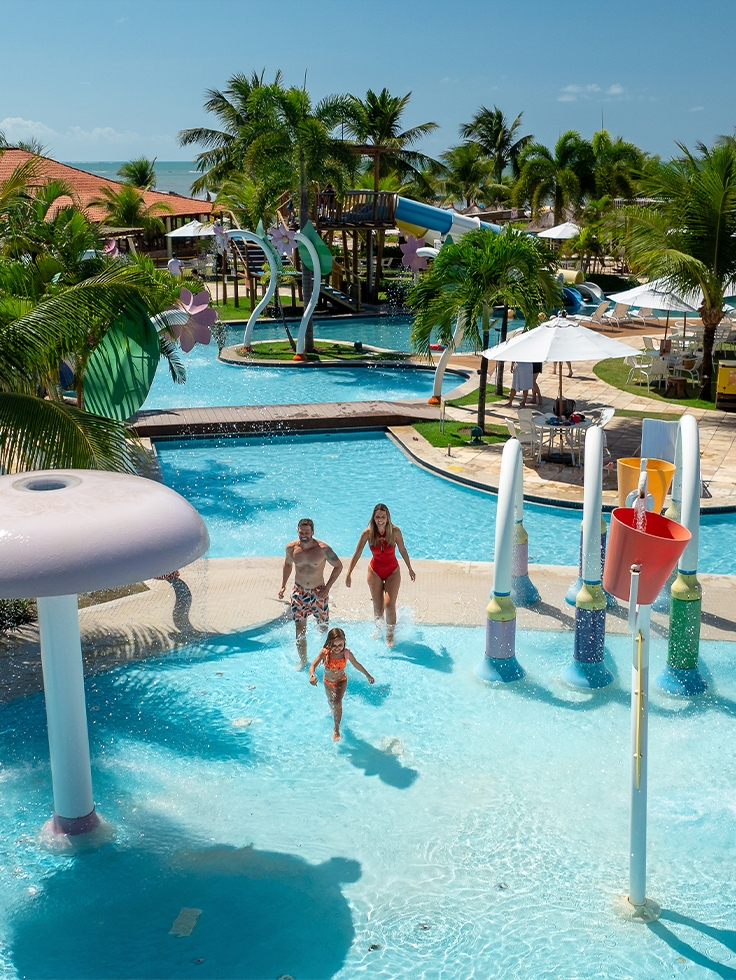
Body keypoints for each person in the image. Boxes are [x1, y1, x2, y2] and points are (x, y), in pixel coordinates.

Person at [344, 504, 415, 646]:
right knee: (378, 607)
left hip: (392, 571)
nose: (380, 519)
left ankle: (390, 635)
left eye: (383, 517)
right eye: (377, 517)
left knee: (389, 605)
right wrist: (349, 572)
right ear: (373, 518)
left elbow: (403, 550)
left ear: (387, 518)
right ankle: (378, 628)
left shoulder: (395, 532)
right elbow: (357, 553)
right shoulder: (368, 533)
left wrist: (409, 568)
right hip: (375, 571)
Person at [279, 518, 343, 666]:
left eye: (307, 532)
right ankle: (303, 661)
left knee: (323, 628)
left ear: (313, 532)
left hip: (319, 592)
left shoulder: (323, 549)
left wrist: (327, 588)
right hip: (299, 592)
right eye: (301, 532)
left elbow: (338, 566)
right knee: (300, 629)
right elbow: (288, 565)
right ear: (297, 531)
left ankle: (326, 658)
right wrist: (283, 585)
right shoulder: (291, 548)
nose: (304, 535)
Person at [309, 627, 374, 741]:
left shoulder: (346, 653)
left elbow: (357, 664)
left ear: (344, 642)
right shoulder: (325, 653)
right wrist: (312, 675)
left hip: (341, 681)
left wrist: (367, 675)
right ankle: (335, 713)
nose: (337, 648)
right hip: (327, 682)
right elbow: (313, 665)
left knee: (337, 701)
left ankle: (336, 728)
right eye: (334, 645)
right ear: (329, 643)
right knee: (331, 702)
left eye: (340, 645)